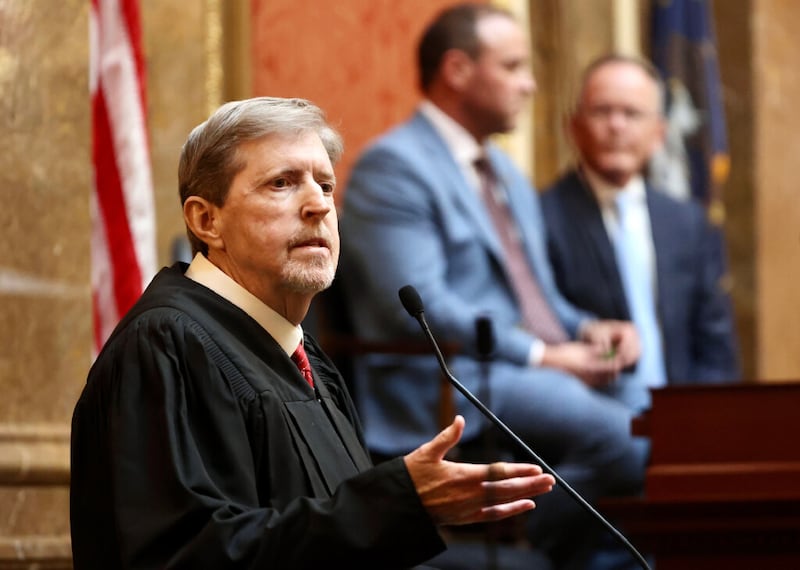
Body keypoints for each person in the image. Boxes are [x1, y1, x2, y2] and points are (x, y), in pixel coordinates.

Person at [69, 96, 557, 569]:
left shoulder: (302, 355)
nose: (318, 206)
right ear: (206, 220)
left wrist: (400, 509)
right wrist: (394, 503)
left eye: (325, 185)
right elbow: (185, 556)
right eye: (282, 183)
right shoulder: (165, 346)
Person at [338, 4, 648, 568]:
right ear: (457, 70)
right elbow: (419, 308)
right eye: (513, 66)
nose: (530, 84)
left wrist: (590, 329)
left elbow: (540, 297)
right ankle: (527, 537)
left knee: (660, 421)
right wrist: (544, 356)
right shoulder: (394, 166)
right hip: (456, 378)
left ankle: (550, 544)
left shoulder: (504, 171)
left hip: (521, 366)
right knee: (626, 436)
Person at [541, 54, 741, 415]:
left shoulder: (687, 220)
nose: (616, 125)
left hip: (686, 425)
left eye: (632, 114)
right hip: (590, 424)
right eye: (602, 111)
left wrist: (712, 421)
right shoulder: (543, 217)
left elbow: (714, 343)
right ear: (573, 126)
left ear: (658, 134)